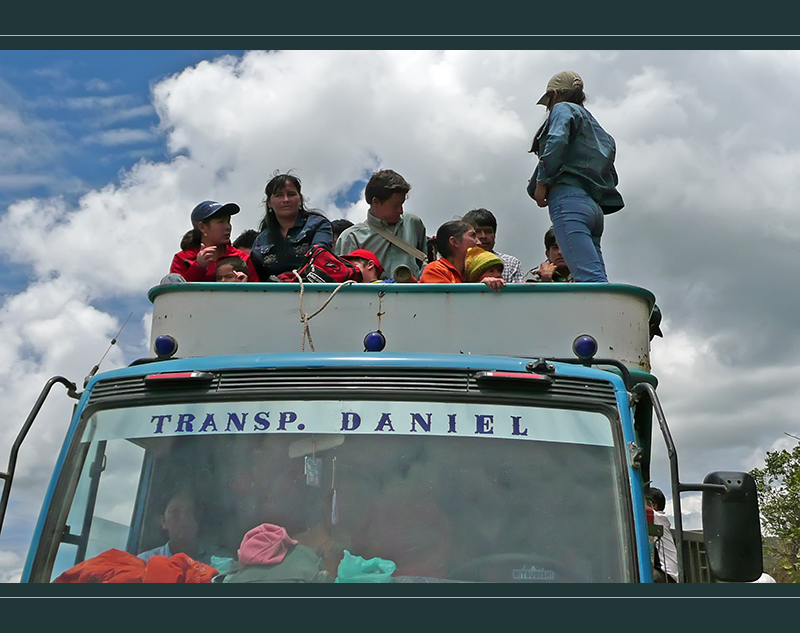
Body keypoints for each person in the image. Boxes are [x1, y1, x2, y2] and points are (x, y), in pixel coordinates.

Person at [527, 70, 624, 283]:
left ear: (554, 94)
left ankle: (598, 316)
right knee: (597, 277)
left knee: (588, 279)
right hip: (593, 208)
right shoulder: (596, 127)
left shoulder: (562, 109)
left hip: (569, 202)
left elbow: (556, 140)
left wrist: (542, 182)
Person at [334, 169, 428, 281]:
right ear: (376, 202)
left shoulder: (413, 223)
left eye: (402, 204)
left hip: (413, 296)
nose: (401, 210)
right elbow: (346, 283)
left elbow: (424, 267)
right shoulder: (351, 238)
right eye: (396, 205)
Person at [250, 172, 333, 281]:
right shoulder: (261, 240)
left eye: (291, 194)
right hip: (272, 294)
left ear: (300, 199)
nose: (286, 200)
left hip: (312, 290)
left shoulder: (318, 225)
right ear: (269, 203)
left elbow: (320, 259)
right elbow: (255, 277)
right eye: (279, 195)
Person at [170, 200, 258, 282]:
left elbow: (258, 293)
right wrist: (198, 267)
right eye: (221, 222)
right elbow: (178, 294)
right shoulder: (182, 259)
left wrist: (242, 286)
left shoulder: (242, 257)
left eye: (228, 221)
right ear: (202, 227)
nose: (228, 227)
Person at [421, 221, 504, 291]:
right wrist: (480, 288)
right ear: (454, 242)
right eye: (472, 236)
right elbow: (450, 305)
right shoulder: (435, 270)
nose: (479, 242)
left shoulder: (472, 272)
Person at [138, 489, 209, 564]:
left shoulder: (216, 563)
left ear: (198, 519)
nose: (184, 518)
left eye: (191, 512)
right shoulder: (145, 562)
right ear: (163, 521)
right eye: (175, 511)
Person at [461, 208, 523, 283]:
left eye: (488, 231)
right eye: (477, 232)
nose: (483, 236)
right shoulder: (459, 263)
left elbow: (518, 293)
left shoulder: (510, 263)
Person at [645, 486, 678, 583]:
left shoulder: (657, 517)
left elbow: (636, 507)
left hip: (665, 574)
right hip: (669, 575)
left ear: (654, 505)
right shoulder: (660, 520)